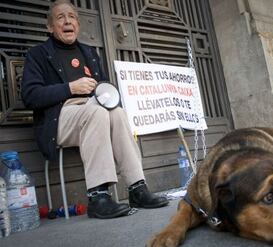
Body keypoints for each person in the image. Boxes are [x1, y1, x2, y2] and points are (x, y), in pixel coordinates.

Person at [21, 0, 168, 219]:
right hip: (61, 118)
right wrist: (70, 88)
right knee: (97, 112)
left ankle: (137, 187)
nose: (68, 21)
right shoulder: (38, 54)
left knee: (117, 113)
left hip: (94, 111)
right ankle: (98, 196)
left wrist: (106, 94)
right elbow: (30, 96)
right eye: (60, 17)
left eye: (72, 16)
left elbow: (104, 87)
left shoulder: (89, 52)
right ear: (50, 27)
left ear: (78, 25)